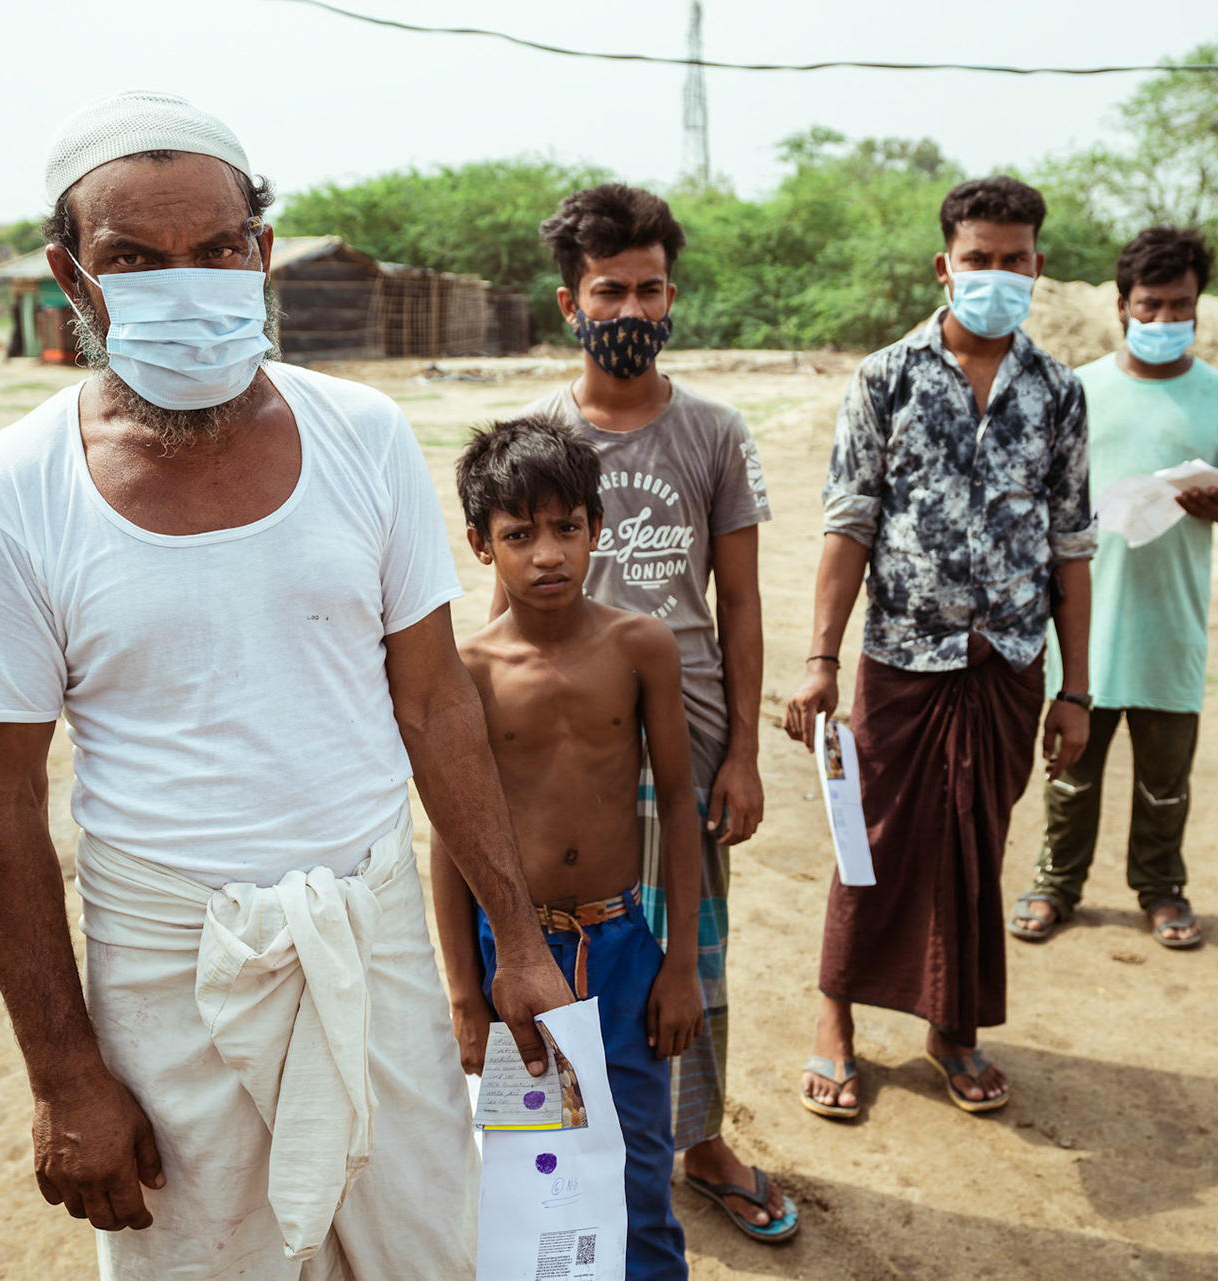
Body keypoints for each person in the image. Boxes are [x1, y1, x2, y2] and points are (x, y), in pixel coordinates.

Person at [0, 91, 570, 1281]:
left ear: (262, 256)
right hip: (172, 974)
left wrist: (515, 939)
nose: (190, 283)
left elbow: (432, 702)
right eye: (135, 259)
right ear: (75, 281)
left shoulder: (364, 436)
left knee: (430, 1252)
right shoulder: (13, 491)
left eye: (218, 250)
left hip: (369, 941)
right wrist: (65, 1074)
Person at [509, 184, 795, 1241]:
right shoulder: (534, 432)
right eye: (608, 290)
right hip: (563, 739)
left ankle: (698, 1138)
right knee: (569, 934)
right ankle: (576, 1135)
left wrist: (746, 758)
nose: (630, 308)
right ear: (568, 303)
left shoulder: (714, 433)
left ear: (673, 296)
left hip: (692, 735)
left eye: (650, 288)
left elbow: (744, 600)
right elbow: (503, 614)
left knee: (690, 946)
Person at [783, 175, 1095, 1120]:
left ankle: (951, 1028)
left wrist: (1076, 688)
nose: (995, 275)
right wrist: (821, 658)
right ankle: (836, 1018)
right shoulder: (885, 378)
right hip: (902, 659)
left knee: (977, 845)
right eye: (978, 260)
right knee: (868, 842)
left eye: (1013, 261)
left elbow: (1073, 547)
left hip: (1007, 663)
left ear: (1037, 268)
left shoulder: (1058, 392)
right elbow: (849, 525)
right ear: (944, 266)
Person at [434, 415, 704, 1280]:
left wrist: (682, 964)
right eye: (519, 534)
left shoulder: (642, 647)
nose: (546, 553)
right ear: (483, 545)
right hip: (510, 950)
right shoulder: (466, 669)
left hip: (625, 945)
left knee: (638, 1160)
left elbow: (681, 804)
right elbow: (450, 841)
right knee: (527, 1166)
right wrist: (464, 993)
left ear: (598, 527)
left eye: (565, 528)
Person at [1009, 227, 1218, 951]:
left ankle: (1160, 888)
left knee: (1164, 781)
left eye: (1178, 305)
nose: (1162, 321)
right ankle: (1056, 883)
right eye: (1148, 305)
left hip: (1170, 625)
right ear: (1120, 307)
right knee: (1070, 774)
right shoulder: (1077, 389)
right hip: (1081, 626)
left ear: (1198, 307)